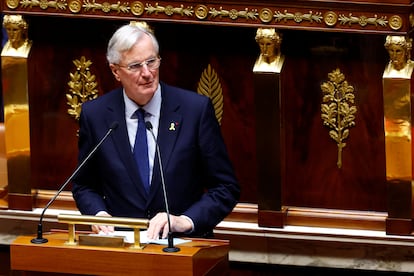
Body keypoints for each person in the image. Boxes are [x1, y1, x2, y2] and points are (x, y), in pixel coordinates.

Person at [71, 22, 240, 240]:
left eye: (152, 62)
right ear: (115, 71)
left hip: (183, 246)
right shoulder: (96, 115)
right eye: (135, 66)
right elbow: (84, 185)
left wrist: (185, 221)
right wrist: (99, 215)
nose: (147, 73)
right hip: (122, 248)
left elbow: (225, 187)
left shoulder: (194, 110)